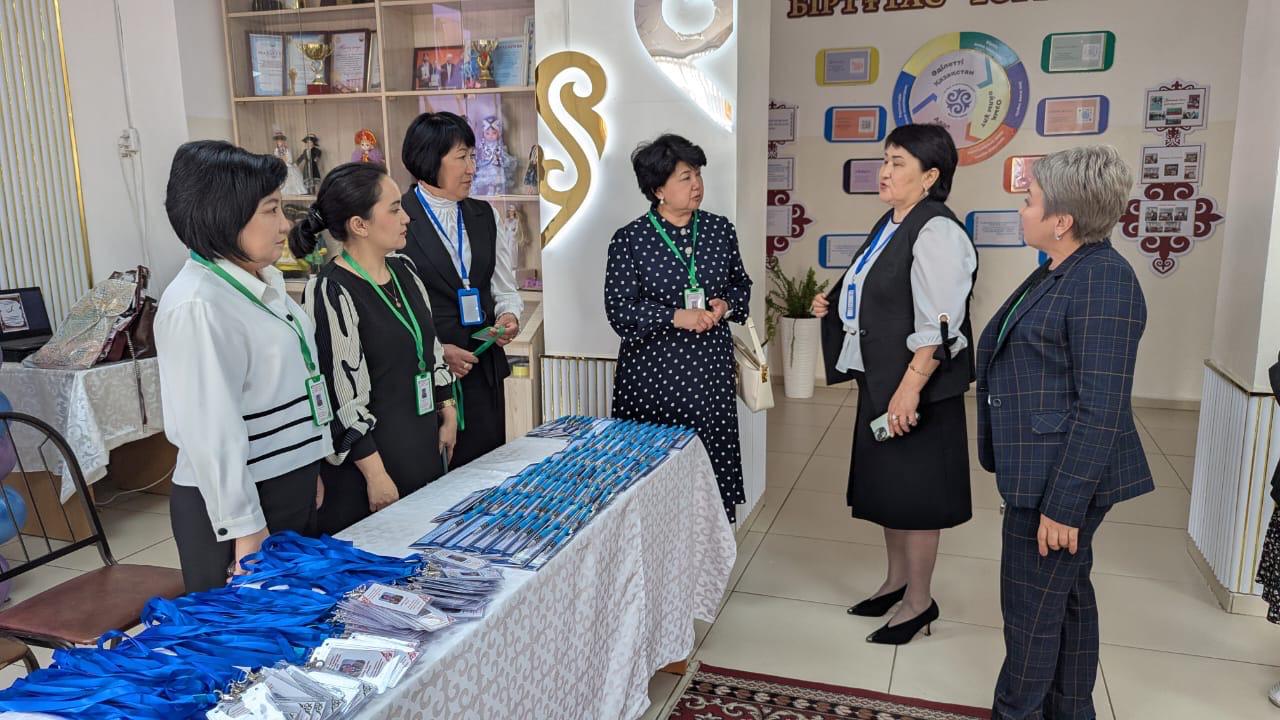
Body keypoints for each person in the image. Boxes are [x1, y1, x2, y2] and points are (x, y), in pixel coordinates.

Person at [976, 146, 1152, 719]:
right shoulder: (1064, 267)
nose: (1021, 209)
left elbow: (1101, 407)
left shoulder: (1103, 282)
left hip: (1059, 479)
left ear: (1062, 220)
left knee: (1030, 616)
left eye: (1029, 200)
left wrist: (1063, 506)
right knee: (1066, 597)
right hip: (1042, 466)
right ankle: (1071, 710)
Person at [811, 123, 978, 645]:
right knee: (891, 490)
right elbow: (871, 286)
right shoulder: (891, 222)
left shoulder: (937, 230)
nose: (884, 171)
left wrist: (909, 389)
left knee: (918, 495)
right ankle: (896, 582)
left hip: (917, 386)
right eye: (885, 160)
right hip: (884, 379)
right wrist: (836, 305)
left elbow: (940, 325)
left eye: (898, 162)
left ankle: (920, 601)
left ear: (930, 176)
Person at [156, 140, 332, 593]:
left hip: (283, 483)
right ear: (225, 215)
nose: (285, 224)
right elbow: (211, 434)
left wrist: (308, 466)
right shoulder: (198, 304)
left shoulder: (261, 279)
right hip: (237, 510)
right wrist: (247, 530)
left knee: (300, 617)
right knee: (253, 629)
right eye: (271, 210)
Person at [291, 162, 459, 534]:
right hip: (372, 468)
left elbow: (430, 348)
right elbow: (340, 395)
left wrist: (447, 408)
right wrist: (376, 474)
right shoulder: (331, 290)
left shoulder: (404, 270)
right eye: (395, 209)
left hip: (420, 445)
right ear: (360, 224)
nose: (406, 218)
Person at [604, 134, 752, 522]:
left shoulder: (719, 230)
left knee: (710, 468)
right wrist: (675, 316)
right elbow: (619, 310)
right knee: (653, 474)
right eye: (686, 177)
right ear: (658, 190)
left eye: (698, 174)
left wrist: (726, 304)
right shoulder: (630, 240)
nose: (697, 184)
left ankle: (710, 548)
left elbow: (741, 285)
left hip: (709, 374)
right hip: (653, 379)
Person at [399, 111, 523, 467]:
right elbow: (392, 311)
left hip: (483, 369)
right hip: (429, 377)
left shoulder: (485, 215)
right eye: (462, 157)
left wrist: (509, 316)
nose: (472, 168)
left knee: (487, 474)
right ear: (429, 159)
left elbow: (504, 287)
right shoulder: (399, 217)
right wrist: (438, 352)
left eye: (473, 156)